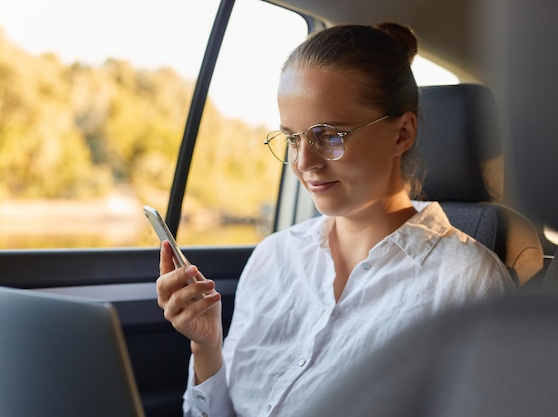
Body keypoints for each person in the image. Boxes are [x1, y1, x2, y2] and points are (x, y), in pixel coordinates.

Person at [156, 22, 514, 417]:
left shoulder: (466, 283)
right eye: (292, 138)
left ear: (402, 134)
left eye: (329, 135)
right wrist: (206, 346)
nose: (303, 162)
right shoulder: (273, 258)